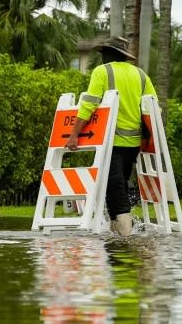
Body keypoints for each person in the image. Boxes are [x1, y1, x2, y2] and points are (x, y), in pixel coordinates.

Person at [64, 35, 156, 236]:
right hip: (133, 143)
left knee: (114, 185)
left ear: (109, 54)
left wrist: (73, 135)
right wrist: (149, 141)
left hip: (112, 141)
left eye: (103, 53)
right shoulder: (141, 75)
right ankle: (118, 230)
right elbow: (151, 109)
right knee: (117, 184)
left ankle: (125, 234)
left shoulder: (102, 71)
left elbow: (89, 103)